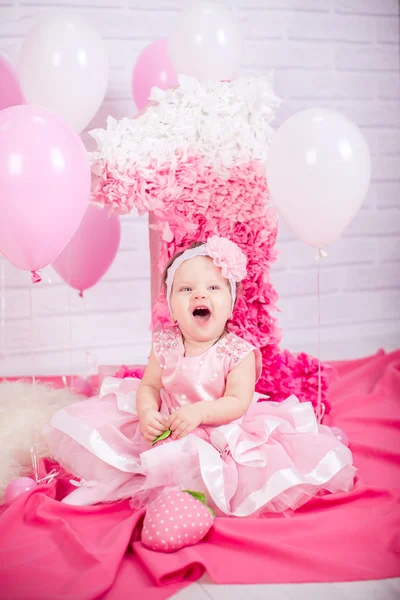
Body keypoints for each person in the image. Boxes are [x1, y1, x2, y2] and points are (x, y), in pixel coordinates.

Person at [46, 235, 355, 516]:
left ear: (231, 303)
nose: (199, 295)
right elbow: (150, 385)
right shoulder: (166, 343)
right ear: (172, 307)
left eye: (213, 287)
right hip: (167, 422)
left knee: (193, 462)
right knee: (125, 445)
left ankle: (179, 498)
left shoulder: (238, 352)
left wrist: (198, 413)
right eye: (186, 289)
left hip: (216, 432)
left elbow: (237, 402)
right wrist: (146, 410)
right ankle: (106, 484)